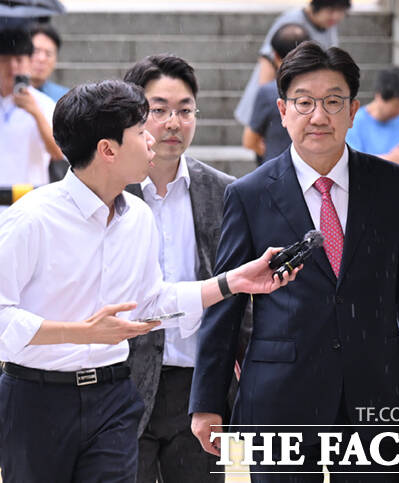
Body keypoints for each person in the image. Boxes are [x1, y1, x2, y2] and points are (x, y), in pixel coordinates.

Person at [0, 79, 297, 482]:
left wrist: (233, 282)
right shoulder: (31, 218)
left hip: (113, 397)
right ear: (108, 150)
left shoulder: (137, 217)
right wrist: (82, 333)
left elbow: (151, 301)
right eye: (141, 132)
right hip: (36, 399)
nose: (152, 139)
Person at [190, 42, 399, 481]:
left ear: (353, 111)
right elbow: (227, 303)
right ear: (282, 111)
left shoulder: (394, 186)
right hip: (279, 401)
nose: (318, 116)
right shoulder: (249, 194)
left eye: (333, 102)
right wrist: (207, 402)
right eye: (304, 102)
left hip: (373, 398)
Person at [122, 54, 236, 483]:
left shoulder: (224, 191)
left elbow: (236, 293)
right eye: (159, 109)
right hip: (122, 381)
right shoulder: (111, 190)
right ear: (133, 115)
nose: (173, 123)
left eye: (185, 110)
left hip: (197, 385)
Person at [234, 0, 350, 130]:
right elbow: (269, 61)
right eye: (331, 10)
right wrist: (266, 103)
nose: (336, 16)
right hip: (278, 101)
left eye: (341, 11)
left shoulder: (329, 25)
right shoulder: (292, 22)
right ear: (317, 6)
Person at [0, 27, 63, 188]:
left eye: (19, 60)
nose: (12, 67)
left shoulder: (44, 103)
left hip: (30, 194)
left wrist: (35, 113)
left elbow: (58, 153)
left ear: (29, 63)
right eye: (5, 60)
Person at [243, 23, 311, 164]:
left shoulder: (269, 92)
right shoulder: (321, 89)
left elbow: (249, 141)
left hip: (277, 168)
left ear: (275, 55)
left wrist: (271, 153)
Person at [346, 66, 399, 166]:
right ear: (379, 96)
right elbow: (352, 164)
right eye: (398, 105)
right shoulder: (354, 124)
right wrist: (388, 160)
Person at [30, 23, 69, 103]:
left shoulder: (64, 98)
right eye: (36, 51)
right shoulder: (7, 93)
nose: (41, 59)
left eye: (48, 54)